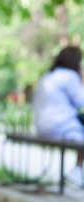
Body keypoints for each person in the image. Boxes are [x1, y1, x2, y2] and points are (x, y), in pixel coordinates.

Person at [33, 45, 84, 187]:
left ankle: (78, 171)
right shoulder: (70, 76)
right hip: (62, 128)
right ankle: (78, 170)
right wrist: (82, 80)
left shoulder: (48, 76)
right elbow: (81, 101)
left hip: (42, 128)